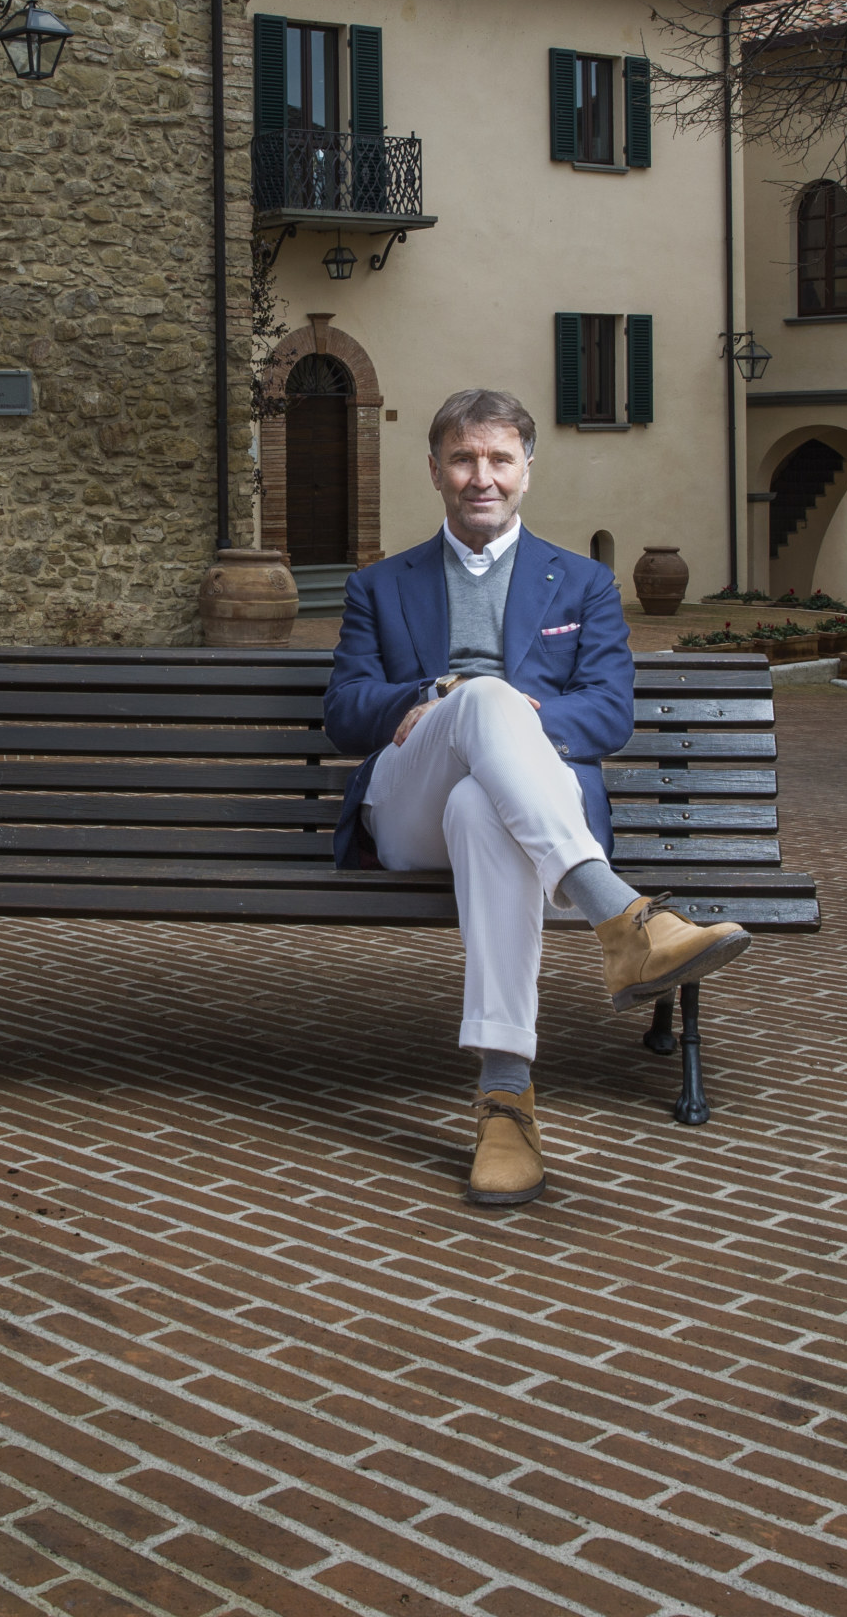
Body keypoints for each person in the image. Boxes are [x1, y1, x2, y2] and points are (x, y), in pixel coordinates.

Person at [323, 388, 752, 1208]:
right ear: (435, 470)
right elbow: (345, 713)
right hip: (409, 807)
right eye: (463, 458)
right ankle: (624, 921)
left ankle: (505, 1101)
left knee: (486, 804)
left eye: (498, 459)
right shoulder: (380, 586)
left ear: (526, 470)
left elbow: (608, 712)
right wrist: (435, 694)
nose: (480, 476)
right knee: (477, 696)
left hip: (514, 816)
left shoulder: (582, 582)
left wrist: (525, 716)